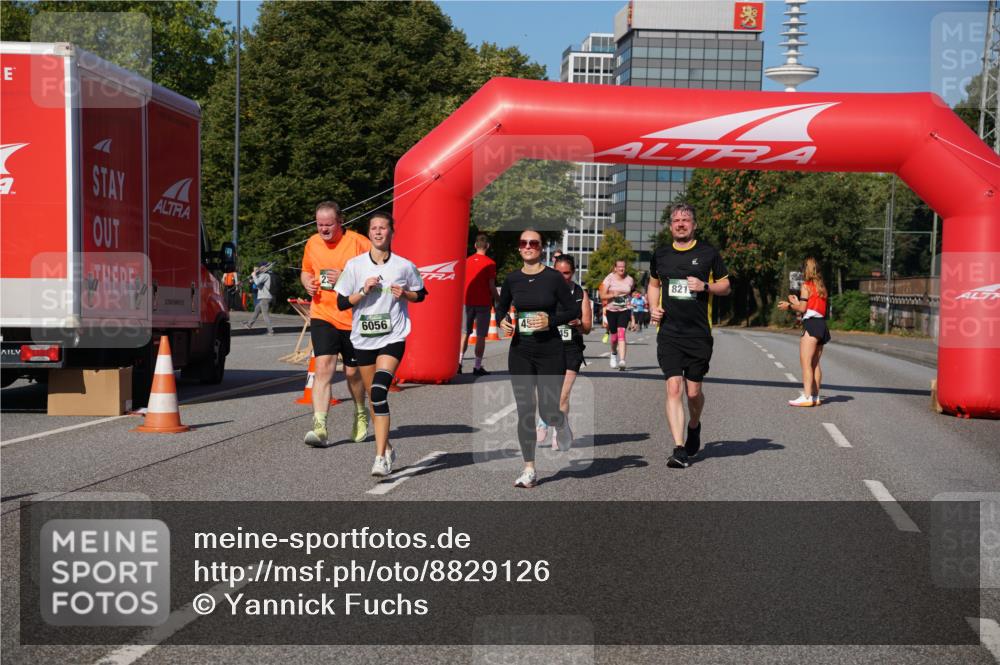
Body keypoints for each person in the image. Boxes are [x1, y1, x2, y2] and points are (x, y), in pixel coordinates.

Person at [335, 212, 427, 476]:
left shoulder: (403, 265)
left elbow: (420, 294)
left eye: (383, 228)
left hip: (393, 337)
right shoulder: (354, 266)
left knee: (377, 392)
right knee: (375, 401)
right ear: (369, 233)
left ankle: (379, 459)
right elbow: (341, 303)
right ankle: (386, 446)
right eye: (374, 228)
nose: (378, 232)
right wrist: (363, 290)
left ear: (391, 232)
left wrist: (405, 293)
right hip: (363, 339)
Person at [648, 204, 730, 469]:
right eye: (676, 220)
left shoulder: (708, 253)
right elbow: (653, 284)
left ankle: (694, 425)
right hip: (669, 333)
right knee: (674, 387)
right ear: (670, 225)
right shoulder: (660, 255)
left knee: (693, 393)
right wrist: (653, 307)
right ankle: (679, 447)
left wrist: (705, 286)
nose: (680, 224)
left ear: (694, 224)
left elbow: (726, 286)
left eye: (685, 220)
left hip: (698, 334)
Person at [498, 229, 580, 488]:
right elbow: (501, 307)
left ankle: (560, 423)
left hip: (550, 350)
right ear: (519, 248)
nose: (529, 246)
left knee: (547, 409)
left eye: (534, 243)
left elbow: (573, 310)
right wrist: (504, 321)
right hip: (521, 349)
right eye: (524, 243)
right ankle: (529, 469)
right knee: (525, 410)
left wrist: (550, 320)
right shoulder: (512, 279)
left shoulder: (554, 278)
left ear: (542, 247)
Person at [300, 201, 372, 447]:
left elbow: (376, 276)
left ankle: (361, 411)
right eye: (319, 225)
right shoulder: (312, 243)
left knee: (353, 373)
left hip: (354, 318)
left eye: (328, 225)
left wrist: (344, 278)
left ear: (340, 222)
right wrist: (307, 282)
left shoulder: (359, 243)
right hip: (323, 313)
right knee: (323, 368)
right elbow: (306, 270)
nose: (323, 230)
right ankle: (320, 427)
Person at [536, 254, 592, 449]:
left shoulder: (580, 294)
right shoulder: (543, 292)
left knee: (562, 396)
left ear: (573, 273)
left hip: (571, 349)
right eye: (558, 273)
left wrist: (578, 324)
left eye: (566, 273)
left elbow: (587, 327)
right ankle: (544, 420)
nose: (562, 277)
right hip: (548, 347)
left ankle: (557, 432)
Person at [779, 257, 830, 407]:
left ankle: (806, 396)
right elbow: (809, 307)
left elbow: (802, 309)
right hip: (822, 325)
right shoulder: (822, 287)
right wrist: (796, 302)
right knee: (815, 364)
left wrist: (788, 305)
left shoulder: (806, 286)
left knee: (806, 363)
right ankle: (815, 396)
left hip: (812, 325)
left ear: (805, 271)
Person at [459, 234, 498, 376]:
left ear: (475, 245)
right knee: (481, 335)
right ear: (487, 246)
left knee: (464, 333)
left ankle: (459, 363)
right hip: (483, 303)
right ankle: (476, 366)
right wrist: (499, 300)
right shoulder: (490, 263)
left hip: (466, 301)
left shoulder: (466, 261)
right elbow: (492, 286)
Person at [599, 259, 635, 371]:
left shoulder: (630, 280)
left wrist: (631, 307)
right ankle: (614, 354)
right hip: (611, 310)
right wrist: (613, 294)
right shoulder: (609, 278)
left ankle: (622, 360)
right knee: (614, 337)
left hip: (625, 309)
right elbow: (602, 295)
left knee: (622, 333)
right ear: (615, 268)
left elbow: (631, 293)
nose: (621, 268)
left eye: (623, 266)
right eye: (619, 266)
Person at [244, 262, 274, 335]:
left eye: (260, 267)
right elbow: (257, 282)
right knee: (257, 310)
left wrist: (254, 275)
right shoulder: (263, 275)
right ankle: (249, 325)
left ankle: (270, 331)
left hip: (265, 297)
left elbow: (257, 283)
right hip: (263, 297)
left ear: (264, 267)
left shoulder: (265, 275)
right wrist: (252, 279)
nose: (259, 268)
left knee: (265, 315)